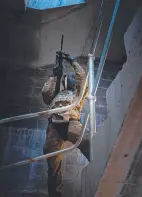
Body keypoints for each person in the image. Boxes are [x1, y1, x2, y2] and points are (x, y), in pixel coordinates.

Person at [42, 52, 89, 197]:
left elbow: (82, 77)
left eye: (73, 78)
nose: (72, 79)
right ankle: (55, 194)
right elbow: (45, 93)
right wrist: (54, 75)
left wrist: (72, 61)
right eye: (69, 78)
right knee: (52, 164)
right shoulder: (57, 94)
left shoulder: (78, 94)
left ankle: (102, 163)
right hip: (54, 127)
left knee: (87, 142)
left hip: (71, 122)